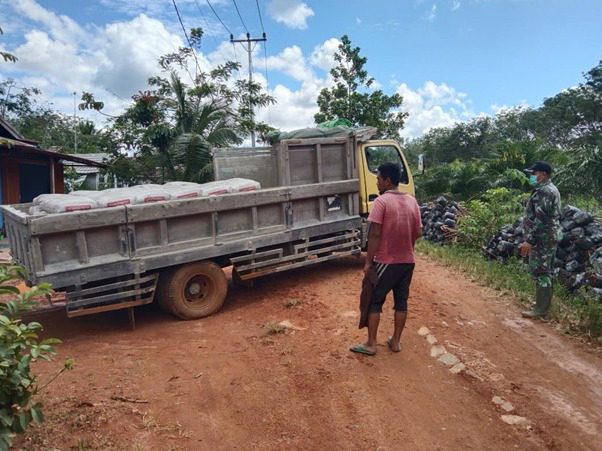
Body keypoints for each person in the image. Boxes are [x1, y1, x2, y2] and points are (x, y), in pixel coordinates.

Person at [350, 162, 422, 355]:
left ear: (388, 181)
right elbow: (419, 232)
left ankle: (371, 344)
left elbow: (374, 235)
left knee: (374, 301)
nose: (376, 182)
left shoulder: (381, 202)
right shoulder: (412, 201)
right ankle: (396, 342)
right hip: (408, 262)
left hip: (385, 262)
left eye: (378, 178)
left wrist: (367, 262)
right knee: (401, 302)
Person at [520, 161, 562, 318]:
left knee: (541, 271)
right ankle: (542, 305)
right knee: (546, 270)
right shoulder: (545, 190)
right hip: (547, 236)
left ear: (543, 175)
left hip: (542, 237)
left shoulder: (546, 192)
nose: (531, 176)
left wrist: (529, 240)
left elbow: (541, 219)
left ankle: (541, 310)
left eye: (534, 173)